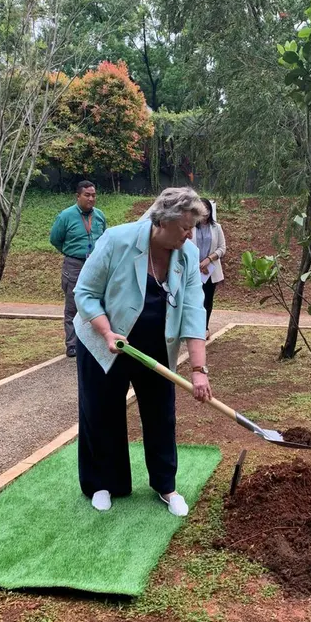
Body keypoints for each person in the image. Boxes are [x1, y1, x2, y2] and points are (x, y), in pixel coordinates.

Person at [73, 186, 212, 517]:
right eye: (185, 227)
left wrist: (198, 369)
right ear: (162, 221)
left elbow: (194, 309)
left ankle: (165, 485)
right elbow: (85, 292)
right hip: (104, 342)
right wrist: (107, 332)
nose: (190, 235)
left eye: (193, 227)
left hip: (156, 344)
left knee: (161, 413)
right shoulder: (118, 240)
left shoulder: (188, 254)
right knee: (102, 411)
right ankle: (104, 483)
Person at [50, 181, 107, 357]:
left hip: (95, 265)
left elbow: (105, 237)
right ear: (78, 196)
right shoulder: (66, 216)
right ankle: (72, 344)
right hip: (75, 265)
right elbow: (55, 239)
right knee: (73, 306)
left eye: (93, 195)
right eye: (87, 195)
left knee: (98, 301)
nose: (91, 198)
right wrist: (71, 253)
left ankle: (94, 342)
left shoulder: (99, 216)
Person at [192, 198, 227, 340]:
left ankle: (204, 328)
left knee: (207, 300)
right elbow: (183, 247)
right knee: (194, 301)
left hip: (210, 271)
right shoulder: (191, 226)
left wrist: (208, 260)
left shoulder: (216, 227)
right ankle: (193, 328)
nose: (205, 211)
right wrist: (198, 264)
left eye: (207, 208)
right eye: (202, 208)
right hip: (194, 270)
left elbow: (222, 248)